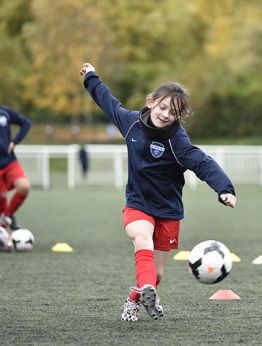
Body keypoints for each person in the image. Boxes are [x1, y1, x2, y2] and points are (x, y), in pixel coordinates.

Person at [80, 63, 237, 322]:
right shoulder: (131, 123)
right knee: (143, 240)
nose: (165, 114)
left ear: (178, 116)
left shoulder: (178, 142)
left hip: (168, 210)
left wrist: (224, 189)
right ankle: (146, 291)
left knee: (158, 272)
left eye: (172, 112)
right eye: (162, 107)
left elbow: (203, 163)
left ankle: (136, 296)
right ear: (151, 102)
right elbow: (107, 101)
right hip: (138, 204)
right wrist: (91, 77)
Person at [0, 105, 32, 250]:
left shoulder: (4, 111)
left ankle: (7, 217)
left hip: (9, 161)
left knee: (24, 187)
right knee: (2, 197)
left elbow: (26, 123)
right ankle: (4, 232)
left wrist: (14, 141)